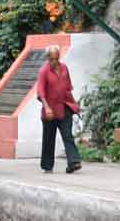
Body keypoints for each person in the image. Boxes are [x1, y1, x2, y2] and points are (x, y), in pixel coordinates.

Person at [36, 45, 81, 174]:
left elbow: (67, 89)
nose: (54, 61)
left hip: (64, 107)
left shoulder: (64, 68)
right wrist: (47, 107)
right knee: (49, 139)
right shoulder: (43, 71)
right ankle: (47, 165)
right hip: (50, 109)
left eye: (56, 58)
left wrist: (74, 104)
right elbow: (40, 92)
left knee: (67, 135)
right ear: (48, 58)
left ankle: (74, 162)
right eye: (52, 59)